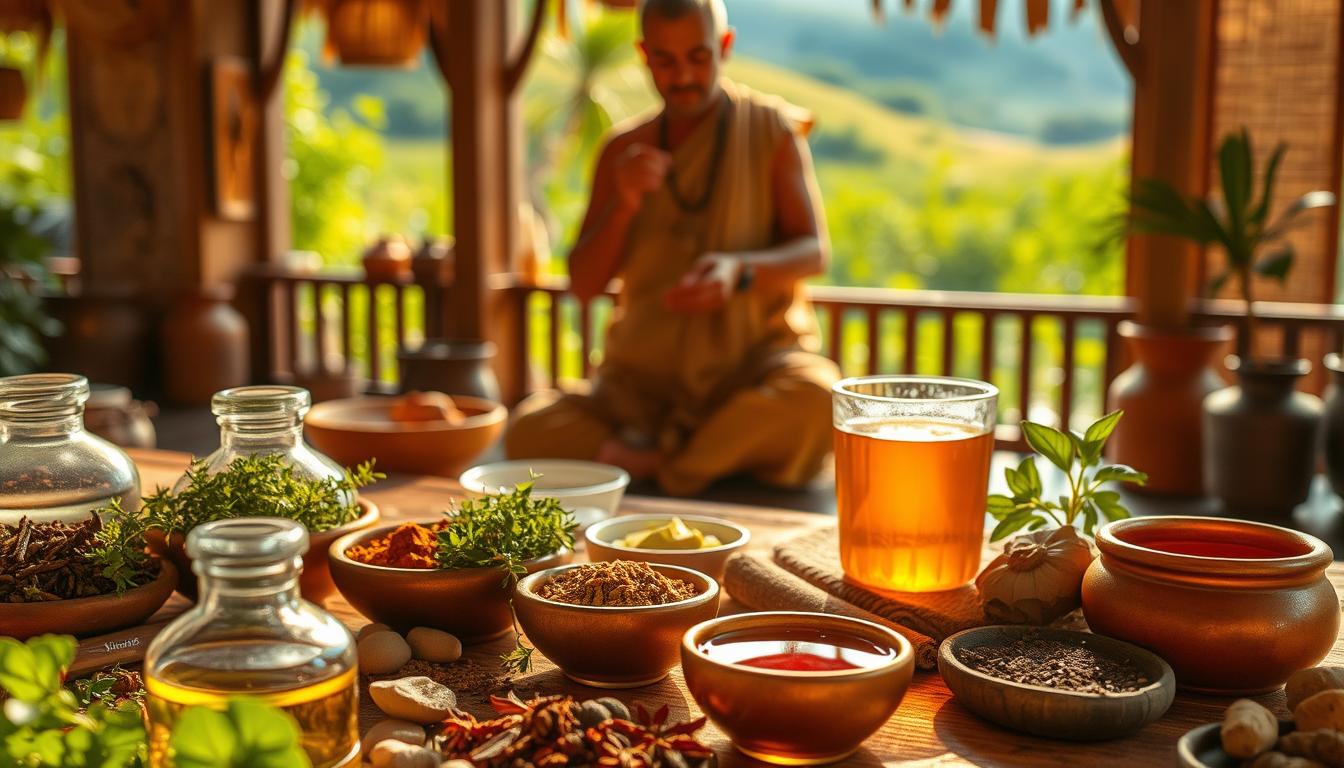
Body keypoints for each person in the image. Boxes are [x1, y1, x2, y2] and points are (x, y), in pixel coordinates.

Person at [505, 0, 839, 496]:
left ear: (723, 47)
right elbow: (584, 284)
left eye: (698, 57)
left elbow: (814, 252)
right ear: (644, 55)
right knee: (529, 427)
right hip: (639, 390)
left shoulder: (769, 129)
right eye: (665, 60)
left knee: (818, 398)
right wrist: (623, 203)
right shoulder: (623, 150)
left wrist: (738, 271)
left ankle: (654, 465)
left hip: (747, 375)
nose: (682, 75)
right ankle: (701, 461)